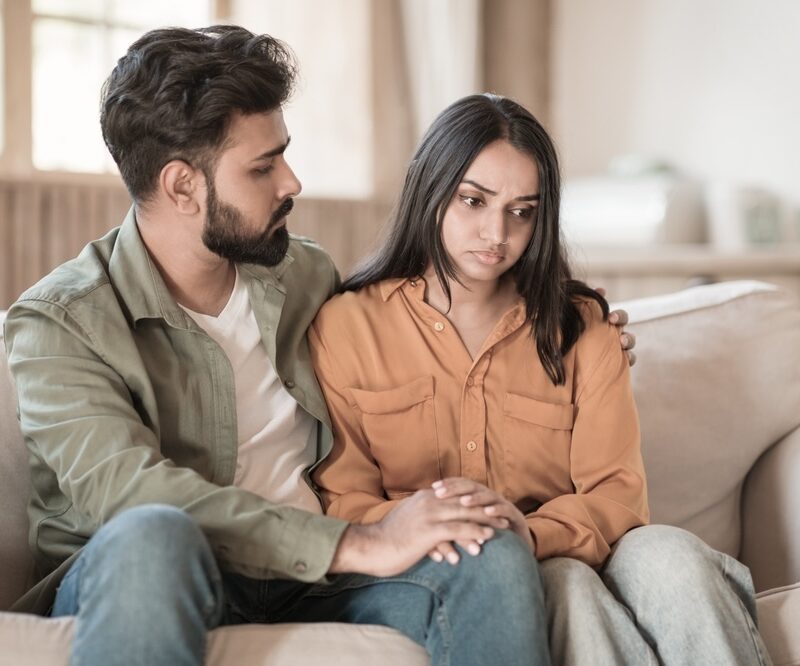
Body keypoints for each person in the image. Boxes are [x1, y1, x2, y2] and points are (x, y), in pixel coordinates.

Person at [3, 26, 559, 666]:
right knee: (152, 534)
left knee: (484, 545)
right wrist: (356, 543)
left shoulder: (305, 276)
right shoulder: (59, 322)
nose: (292, 182)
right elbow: (127, 493)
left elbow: (417, 325)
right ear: (183, 186)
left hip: (314, 584)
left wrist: (568, 326)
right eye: (263, 167)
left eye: (283, 156)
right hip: (164, 576)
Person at [309, 94, 773, 666]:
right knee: (566, 588)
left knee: (672, 555)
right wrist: (451, 522)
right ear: (430, 190)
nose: (496, 233)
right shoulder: (347, 326)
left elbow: (618, 496)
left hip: (571, 547)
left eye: (521, 211)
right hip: (452, 567)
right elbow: (343, 500)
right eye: (473, 201)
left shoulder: (581, 325)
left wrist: (529, 533)